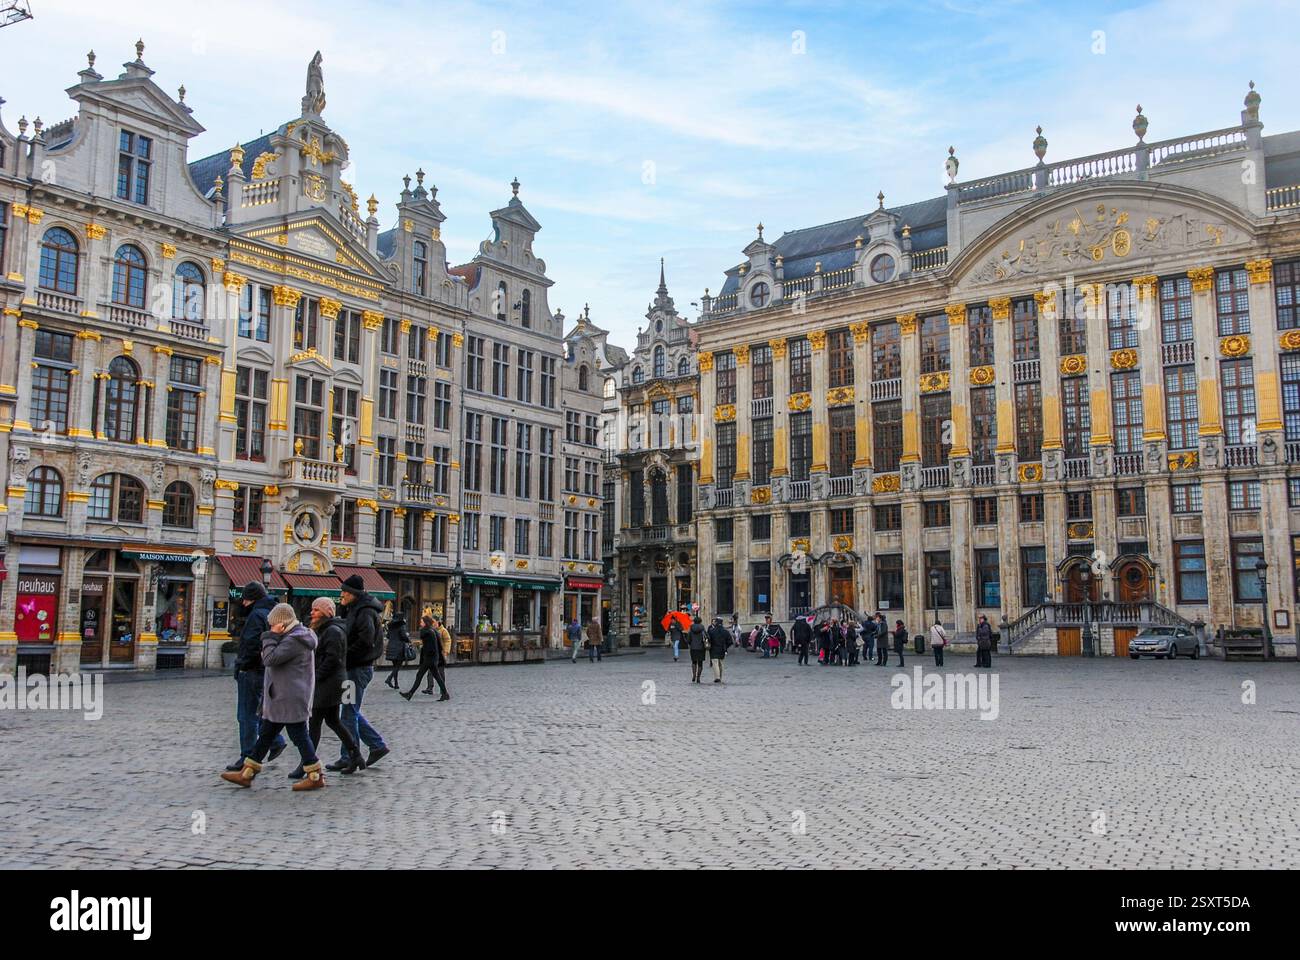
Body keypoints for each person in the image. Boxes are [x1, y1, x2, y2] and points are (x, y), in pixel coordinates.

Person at [221, 604, 325, 791]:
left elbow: (269, 659)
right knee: (267, 734)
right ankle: (247, 773)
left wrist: (270, 637)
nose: (270, 628)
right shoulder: (292, 637)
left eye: (273, 625)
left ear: (282, 624)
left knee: (298, 734)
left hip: (289, 696)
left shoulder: (294, 640)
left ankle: (315, 774)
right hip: (282, 695)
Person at [328, 574, 390, 772]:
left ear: (353, 593)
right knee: (350, 711)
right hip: (353, 668)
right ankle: (376, 745)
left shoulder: (364, 612)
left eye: (344, 592)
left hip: (357, 668)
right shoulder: (356, 609)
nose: (341, 595)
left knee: (348, 712)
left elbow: (365, 640)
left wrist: (344, 653)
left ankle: (349, 756)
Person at [227, 581, 285, 772]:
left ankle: (248, 755)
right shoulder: (273, 614)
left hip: (251, 670)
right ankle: (275, 740)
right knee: (261, 709)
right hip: (264, 670)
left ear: (249, 599)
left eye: (244, 599)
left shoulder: (256, 615)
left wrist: (243, 665)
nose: (243, 604)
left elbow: (251, 644)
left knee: (246, 714)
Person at [300, 598, 361, 777]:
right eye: (312, 610)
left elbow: (332, 659)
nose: (312, 613)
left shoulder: (332, 631)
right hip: (332, 681)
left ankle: (307, 763)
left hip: (329, 683)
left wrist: (315, 677)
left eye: (316, 610)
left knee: (315, 723)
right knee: (333, 721)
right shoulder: (325, 629)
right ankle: (355, 755)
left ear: (327, 613)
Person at [403, 614, 450, 701]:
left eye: (421, 621)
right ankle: (445, 694)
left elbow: (431, 647)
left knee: (420, 675)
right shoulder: (432, 631)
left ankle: (410, 694)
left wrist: (428, 655)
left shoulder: (428, 632)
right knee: (437, 677)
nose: (420, 623)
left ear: (425, 623)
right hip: (432, 658)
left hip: (429, 659)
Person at [383, 612, 410, 689]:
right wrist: (408, 639)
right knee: (398, 666)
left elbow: (388, 636)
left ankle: (396, 684)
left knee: (395, 666)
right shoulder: (401, 626)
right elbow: (403, 636)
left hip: (391, 647)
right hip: (399, 648)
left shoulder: (391, 626)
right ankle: (389, 678)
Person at [707, 615, 732, 683]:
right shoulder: (725, 631)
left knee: (715, 663)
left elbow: (709, 640)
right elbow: (730, 641)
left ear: (716, 623)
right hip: (722, 649)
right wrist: (726, 647)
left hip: (713, 649)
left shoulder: (712, 631)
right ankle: (720, 677)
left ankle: (717, 677)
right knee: (721, 663)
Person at [687, 615, 708, 683]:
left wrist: (690, 643)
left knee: (694, 662)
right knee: (700, 663)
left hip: (693, 647)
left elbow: (688, 639)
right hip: (701, 647)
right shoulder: (702, 628)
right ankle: (698, 677)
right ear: (700, 622)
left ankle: (693, 675)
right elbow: (707, 637)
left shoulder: (691, 629)